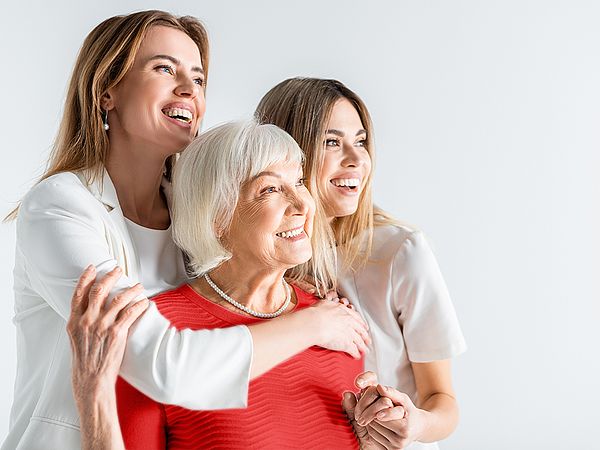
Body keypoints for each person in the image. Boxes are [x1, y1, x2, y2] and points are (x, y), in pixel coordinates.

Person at [3, 14, 368, 450]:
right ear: (106, 91)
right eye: (164, 69)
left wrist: (301, 294)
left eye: (198, 78)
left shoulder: (197, 207)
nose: (189, 90)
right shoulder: (61, 207)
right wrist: (312, 325)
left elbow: (227, 294)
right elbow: (163, 367)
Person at [113, 120, 364, 449]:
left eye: (299, 182)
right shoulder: (154, 331)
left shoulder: (338, 322)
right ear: (217, 216)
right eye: (270, 189)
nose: (303, 204)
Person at [255, 77, 467, 449]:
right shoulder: (260, 260)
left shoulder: (400, 252)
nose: (356, 160)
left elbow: (443, 402)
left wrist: (414, 424)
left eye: (361, 141)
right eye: (332, 142)